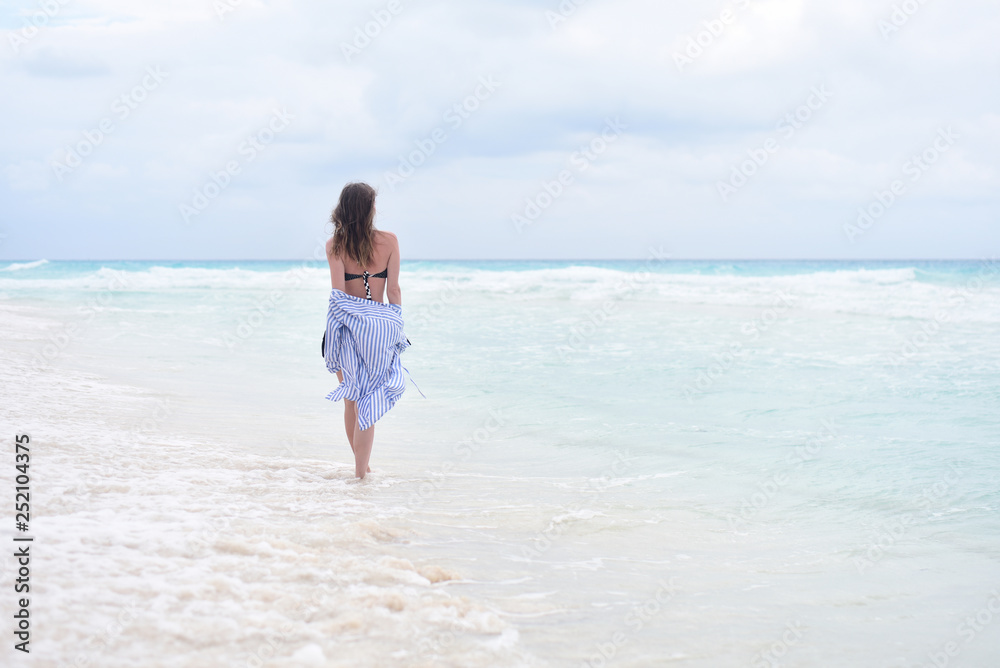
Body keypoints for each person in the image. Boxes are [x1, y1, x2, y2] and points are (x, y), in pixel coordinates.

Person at [324, 182, 404, 479]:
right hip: (380, 329)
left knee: (352, 400)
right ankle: (362, 472)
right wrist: (397, 330)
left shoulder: (335, 245)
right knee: (370, 398)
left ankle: (361, 471)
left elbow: (338, 294)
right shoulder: (390, 241)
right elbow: (393, 290)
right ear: (370, 209)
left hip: (348, 328)